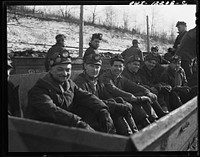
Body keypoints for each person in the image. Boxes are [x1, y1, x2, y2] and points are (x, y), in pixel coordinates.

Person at [25, 48, 115, 133]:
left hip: (64, 127)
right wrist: (78, 123)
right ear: (50, 70)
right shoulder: (40, 89)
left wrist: (102, 109)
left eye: (68, 70)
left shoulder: (69, 84)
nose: (64, 73)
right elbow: (52, 111)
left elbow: (86, 96)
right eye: (60, 69)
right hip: (43, 133)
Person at [74, 53, 138, 135]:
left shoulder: (97, 81)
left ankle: (133, 133)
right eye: (91, 66)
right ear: (85, 66)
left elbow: (106, 96)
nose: (94, 70)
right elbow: (92, 102)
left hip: (99, 110)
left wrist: (120, 102)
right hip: (88, 115)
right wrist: (115, 106)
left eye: (97, 67)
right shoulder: (80, 82)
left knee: (120, 103)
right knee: (115, 110)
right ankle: (126, 135)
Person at [99, 55, 167, 129]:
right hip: (111, 104)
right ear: (111, 66)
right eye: (115, 66)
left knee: (143, 97)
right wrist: (133, 97)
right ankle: (144, 124)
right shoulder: (105, 78)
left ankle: (152, 119)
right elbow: (114, 90)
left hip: (121, 101)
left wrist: (147, 92)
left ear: (123, 67)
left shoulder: (120, 78)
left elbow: (134, 86)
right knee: (135, 102)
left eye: (120, 66)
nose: (118, 69)